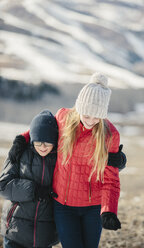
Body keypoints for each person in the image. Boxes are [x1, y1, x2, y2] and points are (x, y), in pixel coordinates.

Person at [7, 72, 126, 248]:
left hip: (92, 207)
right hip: (63, 205)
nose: (91, 121)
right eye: (86, 115)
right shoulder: (63, 118)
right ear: (79, 108)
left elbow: (110, 179)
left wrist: (108, 210)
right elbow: (42, 129)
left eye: (96, 117)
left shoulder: (109, 135)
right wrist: (23, 139)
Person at [0, 110, 59, 248]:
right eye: (38, 142)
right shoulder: (19, 153)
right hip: (15, 233)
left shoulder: (60, 158)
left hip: (44, 236)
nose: (43, 147)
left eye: (48, 143)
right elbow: (3, 186)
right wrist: (33, 190)